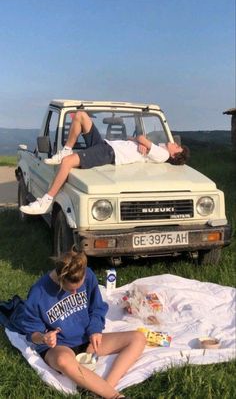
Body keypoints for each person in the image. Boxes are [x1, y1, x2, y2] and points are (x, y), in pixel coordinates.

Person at [16, 248, 146, 399]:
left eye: (79, 288)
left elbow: (97, 308)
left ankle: (101, 390)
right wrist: (44, 337)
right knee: (63, 361)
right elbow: (32, 334)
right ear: (60, 278)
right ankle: (114, 396)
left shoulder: (88, 274)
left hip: (87, 340)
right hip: (60, 347)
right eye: (70, 289)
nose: (75, 293)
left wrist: (95, 330)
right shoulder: (38, 293)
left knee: (138, 338)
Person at [20, 110, 189, 215]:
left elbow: (140, 137)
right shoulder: (159, 150)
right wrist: (140, 142)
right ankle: (66, 148)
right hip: (105, 145)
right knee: (80, 116)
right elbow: (134, 138)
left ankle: (46, 201)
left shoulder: (163, 154)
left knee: (66, 163)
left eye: (177, 147)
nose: (175, 143)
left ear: (174, 156)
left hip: (109, 153)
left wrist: (142, 140)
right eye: (177, 144)